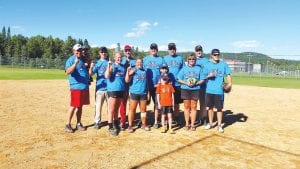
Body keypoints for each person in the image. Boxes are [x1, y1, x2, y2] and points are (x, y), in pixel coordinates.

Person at [204, 49, 232, 133]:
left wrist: (230, 83)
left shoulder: (223, 65)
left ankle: (219, 125)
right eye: (215, 54)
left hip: (219, 91)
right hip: (209, 90)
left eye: (218, 54)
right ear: (211, 55)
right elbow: (203, 76)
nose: (216, 56)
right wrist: (208, 75)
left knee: (219, 109)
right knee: (210, 108)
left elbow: (228, 74)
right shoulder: (207, 65)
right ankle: (211, 123)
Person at [64, 44, 89, 133]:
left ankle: (78, 123)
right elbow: (67, 72)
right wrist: (75, 63)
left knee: (80, 106)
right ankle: (67, 124)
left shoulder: (83, 59)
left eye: (80, 50)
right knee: (73, 105)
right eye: (77, 50)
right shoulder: (70, 60)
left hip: (84, 87)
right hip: (76, 87)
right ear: (74, 51)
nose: (79, 52)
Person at [177, 53, 205, 131]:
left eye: (193, 59)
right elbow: (178, 79)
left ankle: (192, 124)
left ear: (195, 60)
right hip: (185, 89)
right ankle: (187, 124)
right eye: (190, 59)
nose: (191, 60)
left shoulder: (198, 69)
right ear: (187, 60)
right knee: (186, 107)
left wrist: (196, 83)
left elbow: (202, 79)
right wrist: (186, 83)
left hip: (195, 89)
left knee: (194, 107)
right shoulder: (184, 69)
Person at [125, 58, 150, 133]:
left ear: (142, 63)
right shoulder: (133, 70)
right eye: (138, 62)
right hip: (134, 92)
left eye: (141, 62)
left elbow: (147, 82)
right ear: (135, 63)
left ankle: (143, 124)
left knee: (143, 110)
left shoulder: (145, 71)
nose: (139, 63)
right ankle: (130, 125)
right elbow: (127, 80)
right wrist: (129, 71)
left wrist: (148, 91)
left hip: (143, 93)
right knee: (132, 109)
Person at [143, 43, 165, 128]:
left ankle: (156, 121)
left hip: (157, 86)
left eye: (155, 48)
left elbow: (164, 72)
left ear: (157, 49)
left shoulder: (161, 59)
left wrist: (160, 82)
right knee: (144, 104)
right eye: (152, 48)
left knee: (157, 104)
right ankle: (144, 121)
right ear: (150, 49)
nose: (153, 50)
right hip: (146, 86)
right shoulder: (145, 59)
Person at [105, 52, 126, 136]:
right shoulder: (112, 66)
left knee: (116, 109)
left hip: (120, 90)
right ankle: (110, 127)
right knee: (111, 109)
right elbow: (107, 75)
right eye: (117, 57)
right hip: (113, 90)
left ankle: (116, 124)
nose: (119, 59)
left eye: (120, 57)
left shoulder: (122, 68)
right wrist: (109, 66)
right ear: (114, 58)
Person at [163, 43, 184, 125]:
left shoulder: (180, 58)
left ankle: (176, 117)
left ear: (175, 49)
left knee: (176, 102)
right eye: (170, 48)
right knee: (167, 102)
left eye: (173, 48)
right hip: (167, 84)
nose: (172, 50)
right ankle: (166, 118)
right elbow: (162, 70)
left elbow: (183, 70)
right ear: (168, 50)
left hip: (177, 84)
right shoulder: (164, 58)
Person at [89, 46, 109, 129]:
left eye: (105, 52)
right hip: (100, 88)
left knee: (110, 107)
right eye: (102, 52)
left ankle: (110, 121)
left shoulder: (109, 62)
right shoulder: (97, 63)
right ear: (99, 53)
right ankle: (97, 122)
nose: (103, 53)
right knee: (98, 107)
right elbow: (91, 74)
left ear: (106, 53)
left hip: (109, 88)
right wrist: (91, 66)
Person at [119, 45, 136, 130]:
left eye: (129, 50)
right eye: (126, 50)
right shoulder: (121, 60)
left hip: (133, 85)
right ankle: (122, 120)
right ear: (123, 51)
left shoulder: (135, 61)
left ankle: (131, 120)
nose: (128, 52)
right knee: (123, 103)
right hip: (124, 86)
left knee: (132, 104)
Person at [194, 45, 210, 125]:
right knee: (193, 103)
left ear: (202, 51)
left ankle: (203, 118)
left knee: (203, 103)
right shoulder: (192, 59)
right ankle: (193, 119)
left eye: (200, 50)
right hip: (194, 85)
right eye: (197, 50)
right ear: (195, 51)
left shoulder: (206, 60)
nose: (199, 52)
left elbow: (210, 70)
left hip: (204, 85)